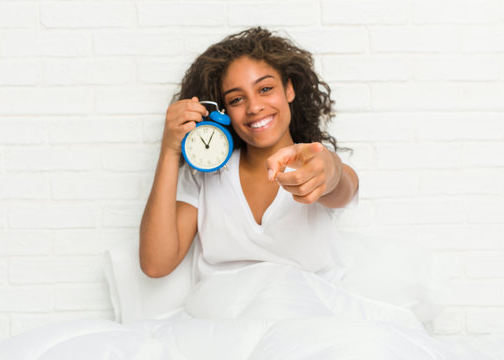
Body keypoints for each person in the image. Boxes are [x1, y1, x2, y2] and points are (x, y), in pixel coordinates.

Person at [139, 27, 359, 282]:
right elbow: (156, 265)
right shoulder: (204, 174)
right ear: (225, 111)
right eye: (236, 100)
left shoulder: (316, 159)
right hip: (222, 313)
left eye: (265, 89)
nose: (254, 107)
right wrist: (169, 149)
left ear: (289, 89)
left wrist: (329, 170)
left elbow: (342, 184)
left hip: (304, 310)